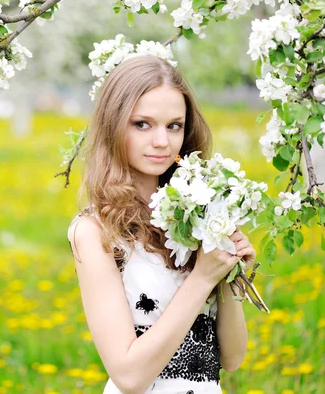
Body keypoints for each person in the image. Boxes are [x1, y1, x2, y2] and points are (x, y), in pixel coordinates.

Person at [67, 55, 256, 394]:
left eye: (174, 126)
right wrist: (202, 277)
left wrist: (227, 272)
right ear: (114, 125)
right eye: (142, 124)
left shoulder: (195, 218)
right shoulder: (95, 231)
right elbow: (129, 376)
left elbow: (232, 358)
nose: (161, 142)